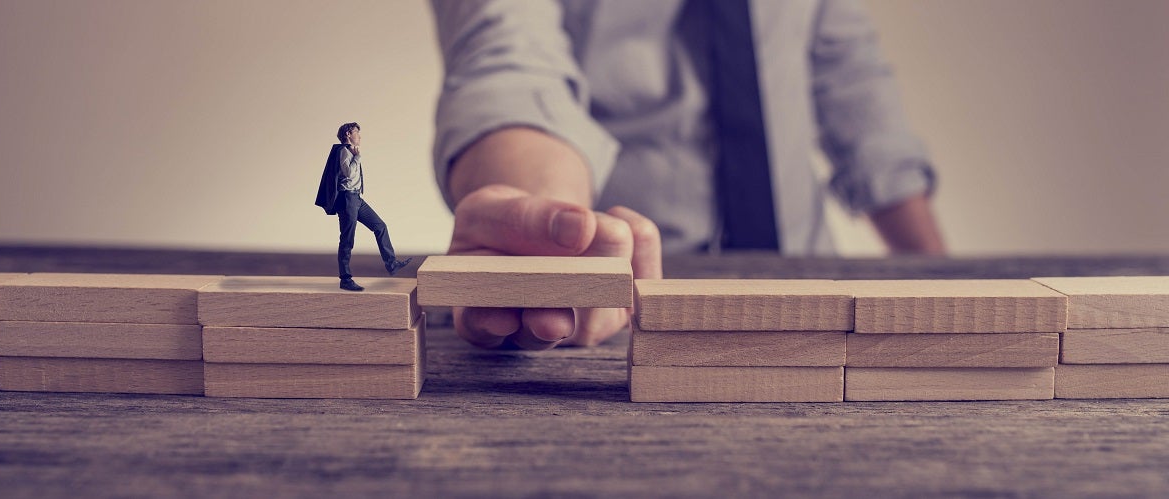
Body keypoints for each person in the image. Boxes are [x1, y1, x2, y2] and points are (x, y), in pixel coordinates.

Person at [429, 0, 946, 349]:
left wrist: (940, 286)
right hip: (628, 306)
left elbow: (851, 80)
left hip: (810, 281)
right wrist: (547, 234)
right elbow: (508, 60)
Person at [315, 122, 412, 291]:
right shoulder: (344, 151)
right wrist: (357, 157)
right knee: (347, 240)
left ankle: (391, 264)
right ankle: (345, 279)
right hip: (347, 200)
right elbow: (349, 173)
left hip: (357, 199)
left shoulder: (351, 151)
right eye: (356, 133)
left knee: (380, 226)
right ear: (347, 134)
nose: (359, 136)